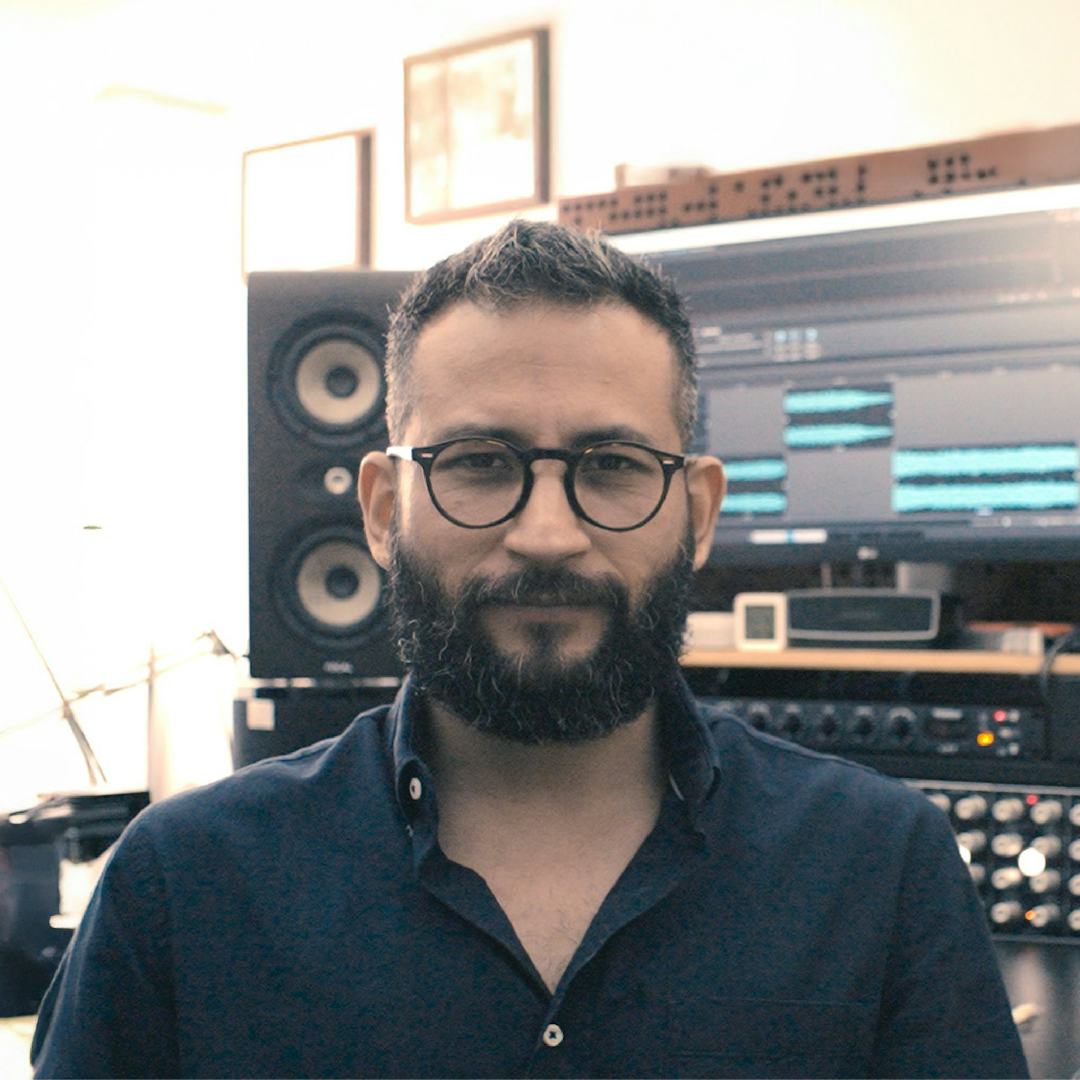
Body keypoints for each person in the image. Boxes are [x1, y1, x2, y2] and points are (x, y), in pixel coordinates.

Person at [31, 220, 1027, 1079]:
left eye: (612, 465)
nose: (547, 534)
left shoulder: (881, 869)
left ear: (698, 511)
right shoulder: (181, 887)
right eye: (479, 463)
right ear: (381, 509)